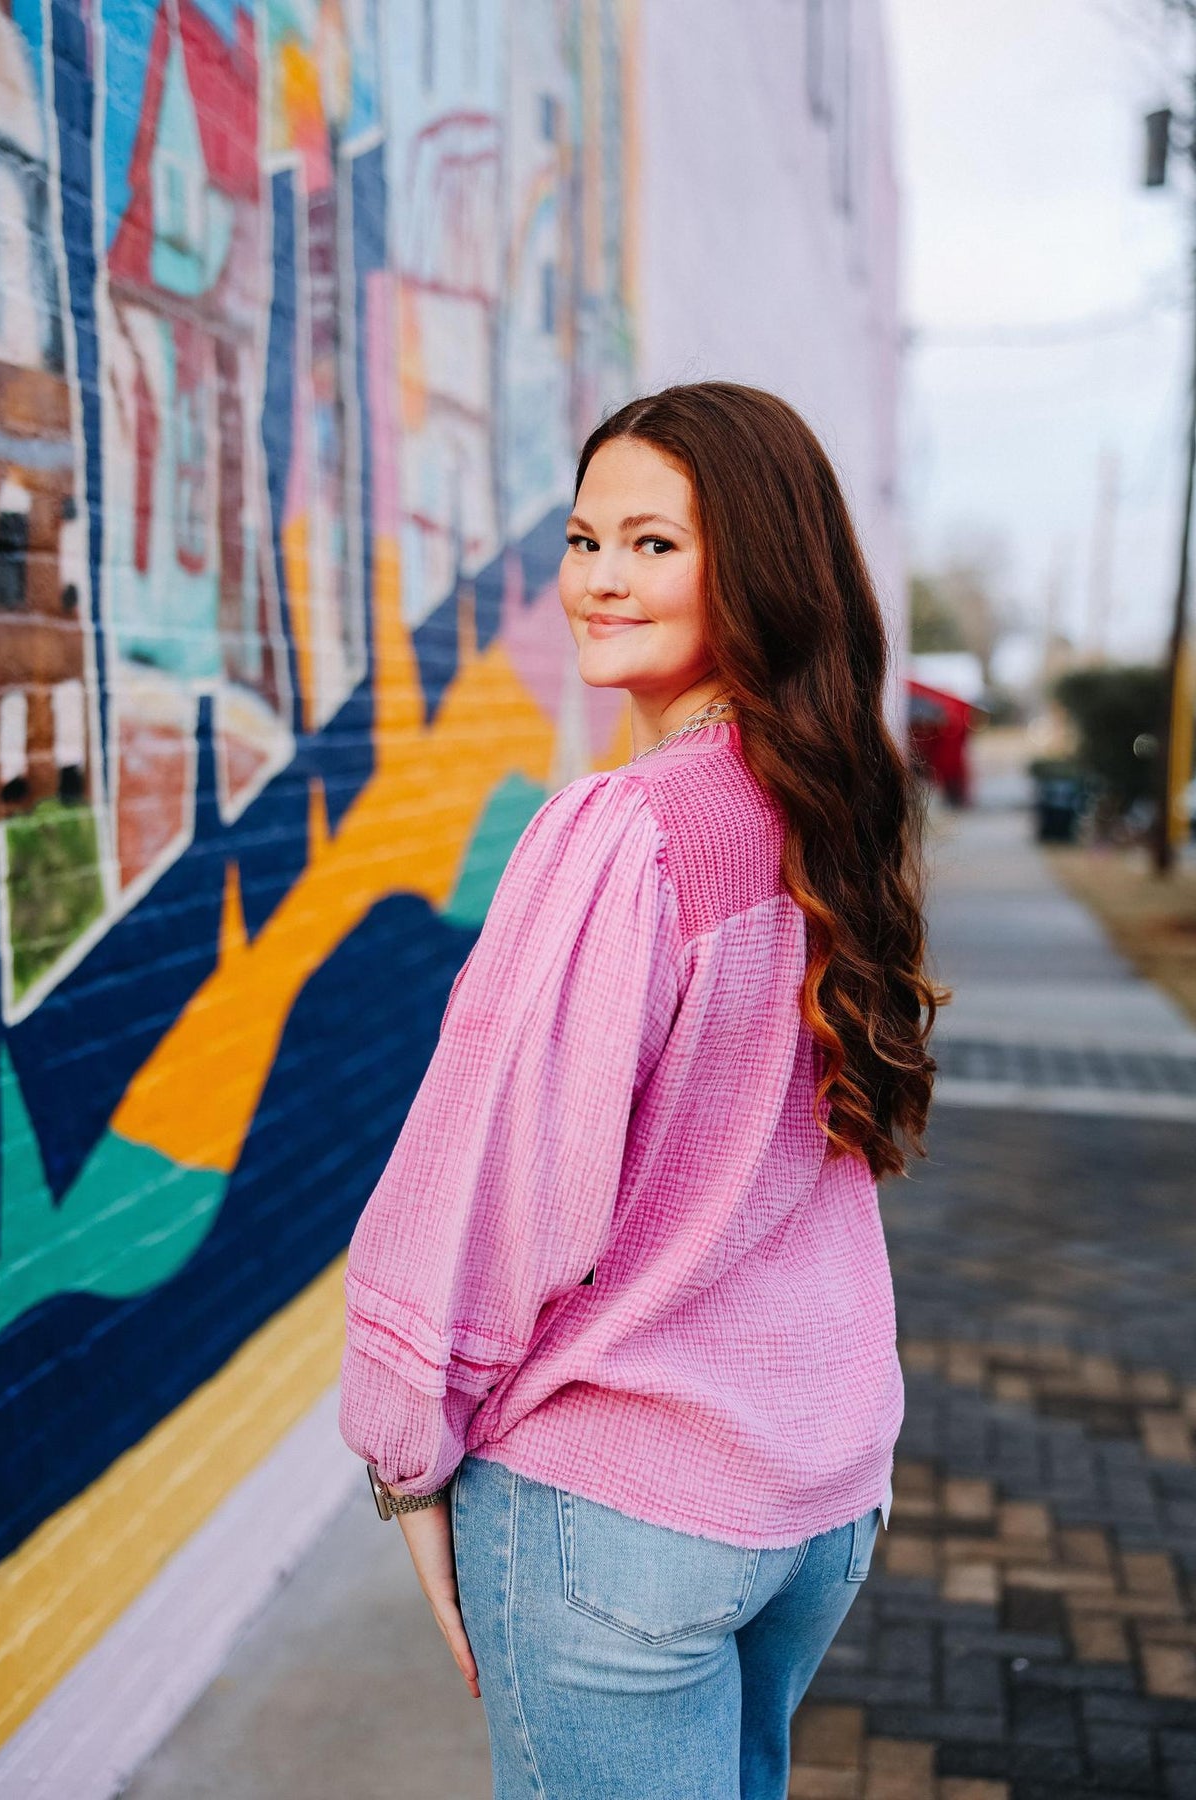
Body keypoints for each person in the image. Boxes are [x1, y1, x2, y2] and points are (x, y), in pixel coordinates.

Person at [338, 381, 941, 1799]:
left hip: (615, 1506)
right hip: (814, 1492)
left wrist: (402, 1447)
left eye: (656, 544)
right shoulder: (834, 811)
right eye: (585, 537)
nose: (601, 579)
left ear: (760, 564)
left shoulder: (626, 833)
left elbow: (493, 1177)